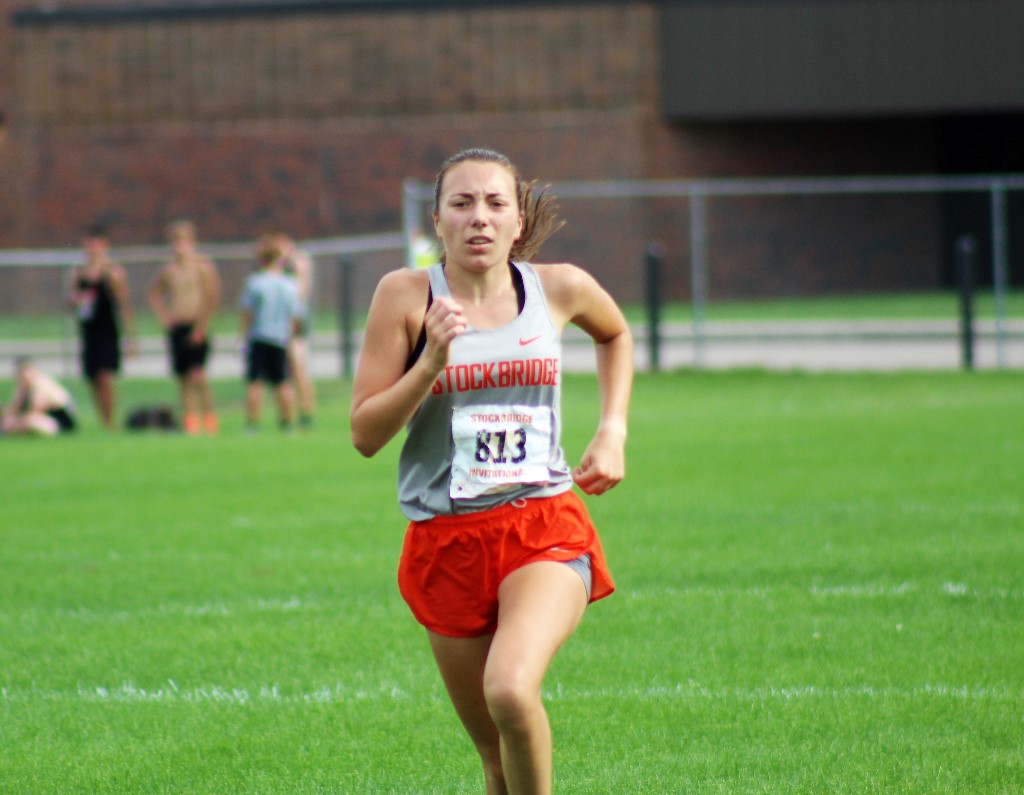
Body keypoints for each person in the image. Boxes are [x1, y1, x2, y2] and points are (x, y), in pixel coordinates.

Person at [350, 148, 633, 794]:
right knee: (496, 759)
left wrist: (612, 430)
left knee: (508, 688)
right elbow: (365, 434)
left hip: (542, 526)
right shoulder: (404, 296)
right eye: (462, 202)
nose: (479, 216)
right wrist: (428, 362)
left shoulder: (558, 287)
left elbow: (615, 334)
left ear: (516, 221)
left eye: (495, 202)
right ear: (437, 220)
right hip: (445, 540)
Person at [147, 220, 221, 436]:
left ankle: (209, 417)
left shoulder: (202, 267)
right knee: (182, 378)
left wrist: (202, 326)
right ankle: (190, 420)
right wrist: (165, 318)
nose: (179, 246)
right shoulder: (169, 270)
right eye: (175, 242)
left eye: (183, 241)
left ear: (191, 242)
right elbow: (154, 294)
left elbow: (212, 297)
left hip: (196, 324)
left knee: (198, 375)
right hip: (178, 326)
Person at [66, 224, 137, 430]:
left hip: (108, 331)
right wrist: (76, 301)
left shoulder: (113, 273)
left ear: (104, 245)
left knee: (105, 377)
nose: (92, 247)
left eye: (96, 243)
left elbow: (123, 305)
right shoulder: (78, 273)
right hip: (89, 331)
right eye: (89, 243)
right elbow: (71, 304)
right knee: (93, 379)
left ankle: (110, 422)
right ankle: (102, 421)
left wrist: (131, 337)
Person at [241, 235, 301, 432]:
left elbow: (247, 312)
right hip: (280, 338)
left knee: (255, 382)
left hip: (259, 337)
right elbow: (295, 315)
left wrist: (243, 337)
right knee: (282, 382)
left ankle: (252, 424)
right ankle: (287, 423)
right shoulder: (289, 284)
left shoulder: (255, 282)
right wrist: (290, 337)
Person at [265, 228, 316, 427]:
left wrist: (287, 258)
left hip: (295, 321)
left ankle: (306, 412)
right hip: (277, 322)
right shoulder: (275, 266)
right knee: (281, 373)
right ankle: (286, 415)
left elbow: (301, 289)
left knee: (299, 367)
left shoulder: (297, 262)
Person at [2, 357, 77, 437]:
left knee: (30, 421)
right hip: (40, 416)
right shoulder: (22, 387)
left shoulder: (41, 384)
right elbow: (14, 408)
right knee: (12, 420)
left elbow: (37, 409)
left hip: (60, 417)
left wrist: (18, 419)